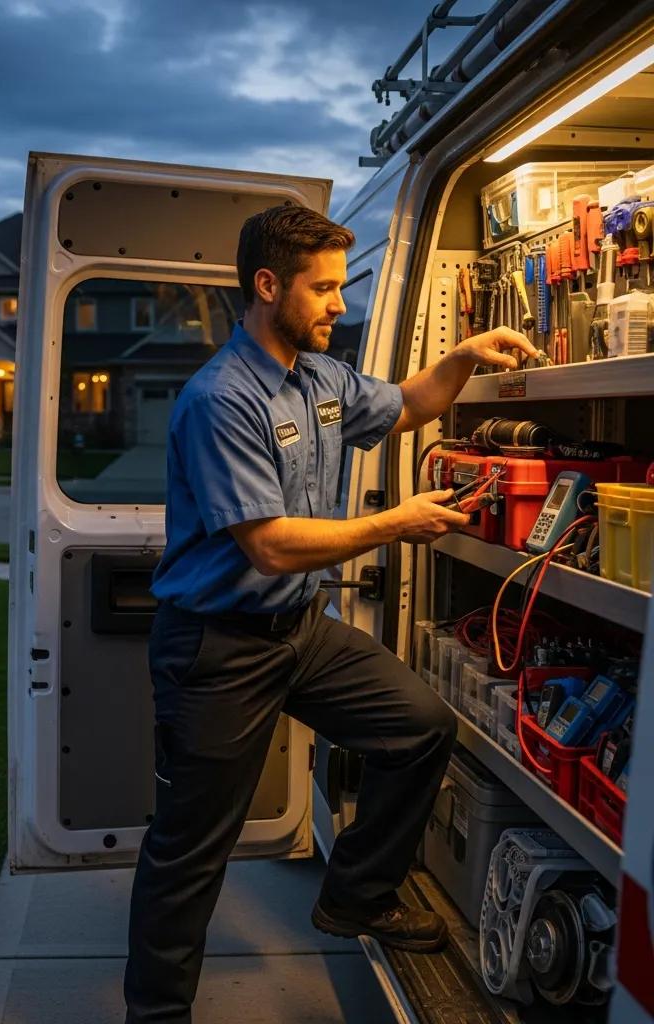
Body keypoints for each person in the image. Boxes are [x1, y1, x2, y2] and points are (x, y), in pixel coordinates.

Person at [122, 204, 538, 1024]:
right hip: (217, 647)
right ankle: (157, 1014)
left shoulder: (320, 379)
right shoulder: (221, 399)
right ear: (267, 285)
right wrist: (394, 523)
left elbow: (408, 405)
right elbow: (271, 545)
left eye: (341, 287)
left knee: (420, 726)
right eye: (323, 289)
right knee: (189, 850)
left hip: (298, 631)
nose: (339, 304)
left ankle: (357, 896)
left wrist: (461, 357)